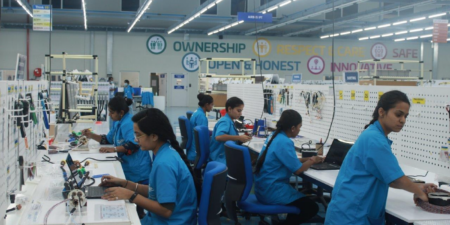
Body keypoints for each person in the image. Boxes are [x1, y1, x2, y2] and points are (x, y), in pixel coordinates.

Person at [325, 90, 437, 225]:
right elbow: (398, 180)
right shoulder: (375, 140)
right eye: (398, 114)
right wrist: (422, 194)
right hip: (352, 216)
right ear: (382, 112)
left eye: (406, 116)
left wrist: (418, 186)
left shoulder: (374, 135)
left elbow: (389, 179)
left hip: (349, 212)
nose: (403, 120)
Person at [99, 108, 199, 225]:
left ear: (154, 136)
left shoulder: (164, 164)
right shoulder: (165, 152)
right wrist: (125, 184)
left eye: (139, 135)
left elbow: (166, 210)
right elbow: (156, 192)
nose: (136, 140)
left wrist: (130, 195)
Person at [254, 110, 322, 225]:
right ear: (292, 128)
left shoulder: (274, 136)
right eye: (299, 127)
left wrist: (309, 158)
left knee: (300, 203)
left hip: (262, 188)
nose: (299, 130)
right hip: (272, 191)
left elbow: (288, 160)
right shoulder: (285, 142)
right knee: (312, 208)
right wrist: (312, 160)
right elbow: (298, 170)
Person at [81, 97, 150, 185]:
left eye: (112, 112)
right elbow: (107, 139)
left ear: (121, 112)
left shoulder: (129, 123)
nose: (109, 114)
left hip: (137, 173)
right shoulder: (118, 122)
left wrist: (114, 149)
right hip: (127, 167)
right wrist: (90, 135)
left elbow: (133, 145)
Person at [209, 97, 251, 164]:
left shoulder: (230, 121)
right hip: (220, 158)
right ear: (229, 109)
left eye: (241, 111)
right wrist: (239, 137)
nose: (240, 114)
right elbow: (219, 136)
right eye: (238, 111)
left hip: (225, 156)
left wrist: (240, 139)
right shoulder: (225, 121)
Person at [188, 93, 214, 162]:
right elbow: (203, 136)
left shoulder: (197, 112)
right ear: (206, 104)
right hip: (196, 151)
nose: (212, 107)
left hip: (193, 149)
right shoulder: (202, 117)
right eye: (211, 104)